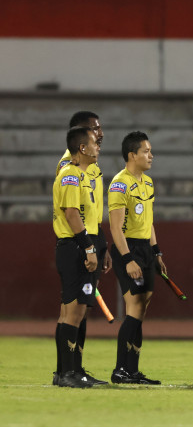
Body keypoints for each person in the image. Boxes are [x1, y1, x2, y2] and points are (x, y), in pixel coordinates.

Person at [53, 111, 110, 386]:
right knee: (72, 310)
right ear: (81, 140)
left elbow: (93, 211)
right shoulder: (71, 169)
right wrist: (88, 246)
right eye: (94, 130)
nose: (100, 134)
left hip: (90, 239)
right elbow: (72, 212)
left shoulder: (91, 168)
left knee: (79, 309)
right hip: (77, 242)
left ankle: (73, 370)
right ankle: (67, 372)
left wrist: (102, 245)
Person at [108, 131, 167, 385]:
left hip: (145, 249)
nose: (151, 155)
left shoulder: (148, 183)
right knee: (134, 310)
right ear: (132, 155)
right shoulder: (120, 184)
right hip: (128, 249)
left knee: (141, 310)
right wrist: (128, 259)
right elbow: (115, 227)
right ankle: (121, 369)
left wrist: (157, 252)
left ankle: (132, 370)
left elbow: (149, 222)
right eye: (146, 151)